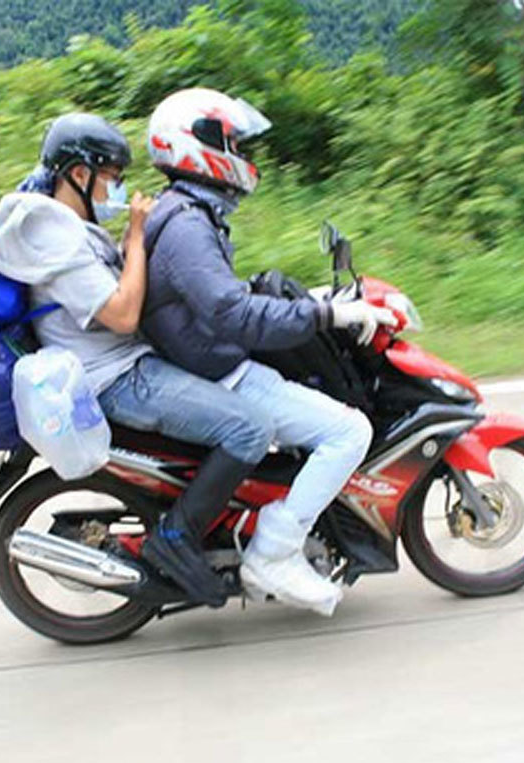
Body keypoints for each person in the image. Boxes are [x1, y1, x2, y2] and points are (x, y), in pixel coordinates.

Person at [0, 112, 274, 608]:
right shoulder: (56, 237)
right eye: (111, 177)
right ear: (80, 175)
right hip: (118, 378)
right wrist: (134, 235)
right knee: (250, 429)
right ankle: (175, 540)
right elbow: (124, 313)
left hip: (126, 364)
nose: (118, 188)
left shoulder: (71, 226)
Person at [140, 88, 399, 616]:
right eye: (233, 143)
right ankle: (274, 552)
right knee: (349, 432)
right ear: (198, 147)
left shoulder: (189, 213)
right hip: (218, 370)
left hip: (208, 358)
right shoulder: (187, 225)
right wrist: (326, 316)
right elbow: (231, 314)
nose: (243, 156)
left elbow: (222, 297)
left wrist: (315, 300)